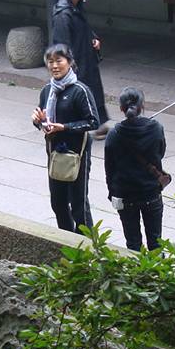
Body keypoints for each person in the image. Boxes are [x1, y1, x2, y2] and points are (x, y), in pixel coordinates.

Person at [32, 42, 101, 232]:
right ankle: (65, 241)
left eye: (59, 61)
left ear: (69, 62)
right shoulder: (48, 90)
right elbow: (43, 117)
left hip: (77, 154)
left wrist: (64, 127)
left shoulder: (80, 90)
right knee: (58, 202)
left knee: (79, 205)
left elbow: (93, 122)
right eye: (50, 61)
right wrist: (38, 120)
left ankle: (87, 246)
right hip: (55, 154)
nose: (54, 66)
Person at [104, 87, 167, 251]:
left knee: (132, 244)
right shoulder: (156, 128)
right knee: (156, 243)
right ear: (142, 106)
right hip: (151, 192)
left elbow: (109, 168)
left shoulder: (114, 134)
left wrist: (112, 193)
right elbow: (160, 153)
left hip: (125, 196)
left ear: (121, 109)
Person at [50, 0, 110, 126]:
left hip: (87, 56)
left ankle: (99, 122)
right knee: (80, 94)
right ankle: (81, 124)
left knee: (94, 90)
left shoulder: (77, 7)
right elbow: (62, 44)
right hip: (77, 61)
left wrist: (94, 38)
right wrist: (70, 65)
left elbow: (85, 28)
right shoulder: (63, 15)